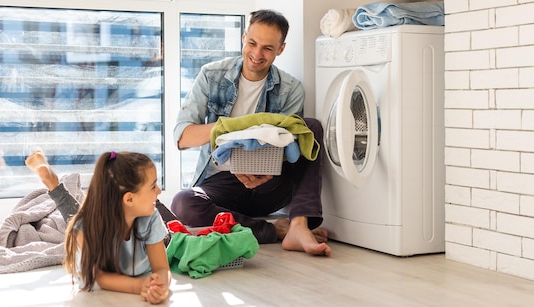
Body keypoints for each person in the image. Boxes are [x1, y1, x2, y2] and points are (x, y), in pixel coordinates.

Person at [171, 9, 331, 256]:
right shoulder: (211, 76)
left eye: (268, 48)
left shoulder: (291, 89)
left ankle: (298, 225)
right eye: (253, 43)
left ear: (281, 49)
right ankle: (273, 230)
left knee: (310, 126)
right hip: (222, 183)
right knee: (183, 202)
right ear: (244, 37)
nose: (257, 54)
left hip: (269, 182)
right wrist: (234, 126)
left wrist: (259, 168)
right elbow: (183, 137)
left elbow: (288, 148)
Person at [26, 150, 171, 304]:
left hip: (113, 216)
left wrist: (161, 286)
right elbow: (100, 277)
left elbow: (162, 268)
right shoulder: (86, 228)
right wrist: (140, 286)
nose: (159, 191)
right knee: (73, 216)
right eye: (153, 186)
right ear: (129, 199)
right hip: (91, 227)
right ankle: (51, 181)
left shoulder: (151, 218)